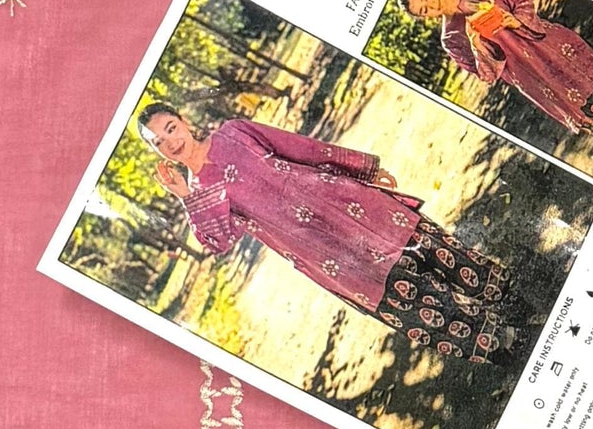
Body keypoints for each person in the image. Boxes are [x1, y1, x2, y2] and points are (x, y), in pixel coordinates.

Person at [136, 103, 517, 364]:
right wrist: (187, 198)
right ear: (156, 152)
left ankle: (518, 305)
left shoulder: (233, 133)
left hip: (351, 205)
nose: (171, 142)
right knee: (414, 301)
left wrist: (362, 169)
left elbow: (300, 148)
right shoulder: (198, 192)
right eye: (159, 142)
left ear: (183, 120)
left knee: (440, 254)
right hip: (328, 254)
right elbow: (217, 242)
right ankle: (504, 346)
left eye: (171, 128)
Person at [402, 0, 593, 143]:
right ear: (425, 17)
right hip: (536, 78)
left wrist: (515, 20)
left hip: (552, 47)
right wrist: (477, 46)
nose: (430, 5)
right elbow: (487, 76)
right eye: (423, 10)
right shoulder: (451, 39)